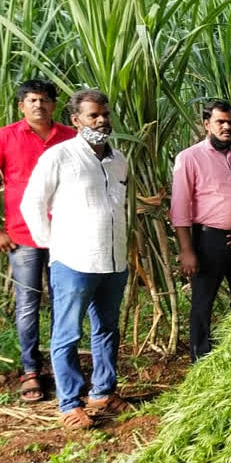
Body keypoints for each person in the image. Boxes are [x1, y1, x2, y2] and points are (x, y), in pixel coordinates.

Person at [21, 89, 130, 428]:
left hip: (113, 260)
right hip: (74, 261)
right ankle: (70, 403)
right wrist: (53, 246)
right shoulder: (60, 156)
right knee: (68, 334)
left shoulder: (119, 159)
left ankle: (102, 391)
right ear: (76, 120)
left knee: (107, 329)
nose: (101, 120)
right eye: (93, 115)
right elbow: (32, 204)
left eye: (105, 115)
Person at [0, 80, 76, 402]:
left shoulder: (70, 137)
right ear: (21, 106)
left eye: (44, 100)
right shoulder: (5, 137)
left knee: (65, 301)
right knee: (28, 305)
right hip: (22, 235)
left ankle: (63, 367)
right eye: (32, 100)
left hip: (67, 235)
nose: (38, 105)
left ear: (54, 105)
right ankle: (31, 369)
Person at [170, 99, 231, 361]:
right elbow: (179, 207)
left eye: (230, 122)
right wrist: (187, 250)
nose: (226, 127)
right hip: (208, 240)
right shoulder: (189, 158)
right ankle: (200, 358)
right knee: (202, 301)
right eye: (220, 122)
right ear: (206, 124)